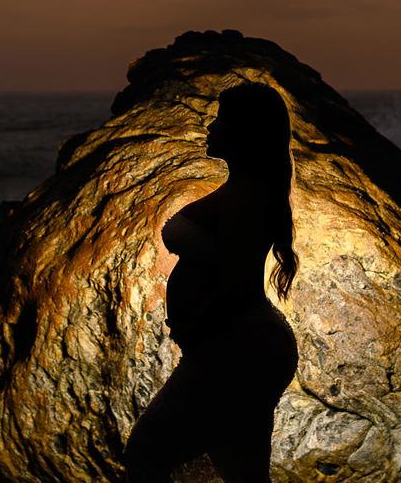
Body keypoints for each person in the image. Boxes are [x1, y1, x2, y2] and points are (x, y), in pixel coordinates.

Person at [124, 83, 300, 483]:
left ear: (244, 131)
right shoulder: (243, 191)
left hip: (236, 348)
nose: (210, 125)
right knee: (241, 469)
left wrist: (196, 327)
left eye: (220, 118)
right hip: (237, 345)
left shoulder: (248, 196)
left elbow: (237, 282)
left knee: (147, 452)